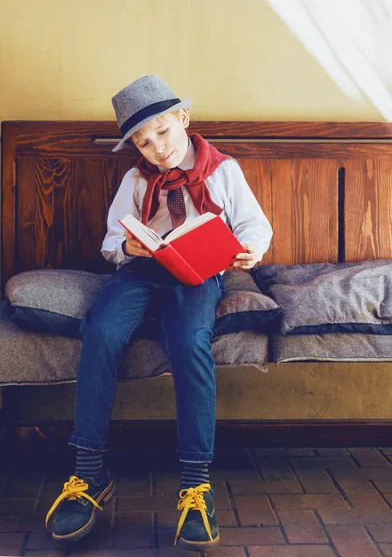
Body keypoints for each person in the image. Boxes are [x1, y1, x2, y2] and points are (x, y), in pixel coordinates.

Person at [45, 74, 273, 551]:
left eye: (163, 133)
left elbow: (254, 225)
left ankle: (196, 483)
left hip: (199, 271)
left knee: (190, 340)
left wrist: (251, 248)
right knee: (102, 330)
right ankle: (88, 474)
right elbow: (112, 241)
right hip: (141, 269)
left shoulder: (223, 171)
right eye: (144, 143)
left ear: (183, 120)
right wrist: (127, 245)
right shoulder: (134, 179)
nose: (157, 149)